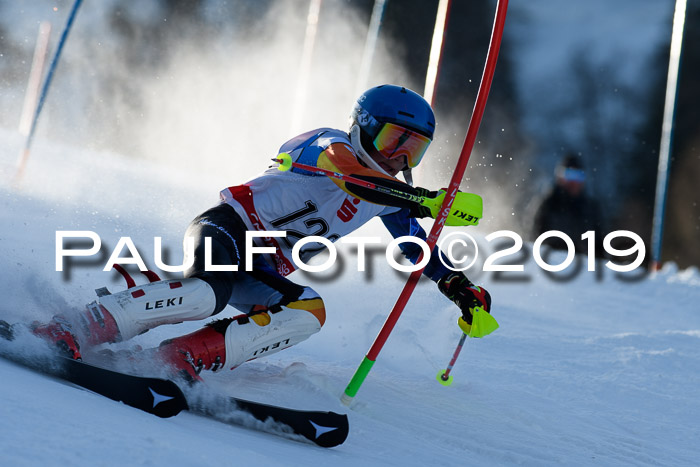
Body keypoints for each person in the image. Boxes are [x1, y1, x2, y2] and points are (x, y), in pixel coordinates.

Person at [32, 85, 493, 381]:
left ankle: (184, 357)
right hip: (228, 229)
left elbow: (418, 248)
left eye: (416, 149)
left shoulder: (390, 194)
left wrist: (459, 287)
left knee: (309, 310)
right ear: (366, 128)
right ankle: (76, 326)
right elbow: (349, 175)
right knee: (207, 293)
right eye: (397, 140)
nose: (403, 159)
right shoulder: (328, 142)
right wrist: (427, 200)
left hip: (265, 262)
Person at [532, 154, 604, 253]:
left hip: (583, 265)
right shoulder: (548, 205)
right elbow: (534, 237)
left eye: (578, 176)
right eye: (569, 175)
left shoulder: (591, 208)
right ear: (559, 177)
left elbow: (599, 246)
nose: (574, 181)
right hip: (553, 262)